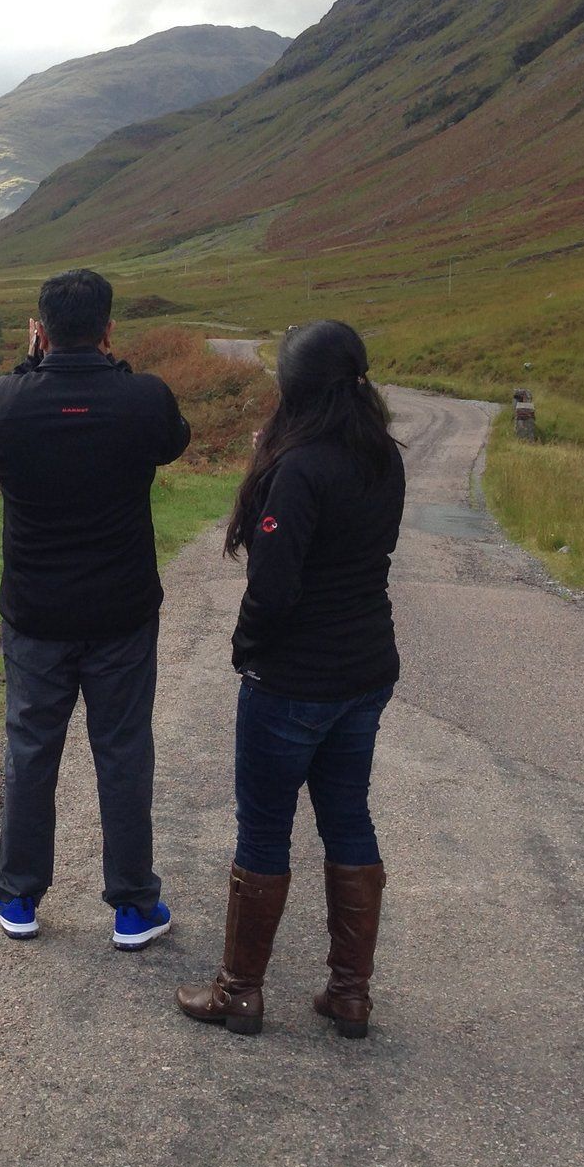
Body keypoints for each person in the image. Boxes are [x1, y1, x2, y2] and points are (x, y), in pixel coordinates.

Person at [176, 320, 405, 1037]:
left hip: (294, 682)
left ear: (296, 388)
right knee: (348, 818)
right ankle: (350, 993)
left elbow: (274, 590)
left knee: (266, 828)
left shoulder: (301, 467)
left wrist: (248, 648)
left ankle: (239, 991)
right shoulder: (382, 459)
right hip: (364, 671)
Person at [0, 269, 192, 950]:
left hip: (35, 613)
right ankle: (132, 906)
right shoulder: (143, 399)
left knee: (31, 750)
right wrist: (113, 371)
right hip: (121, 611)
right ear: (109, 328)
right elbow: (173, 441)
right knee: (123, 752)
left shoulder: (7, 401)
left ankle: (18, 895)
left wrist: (25, 369)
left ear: (40, 329)